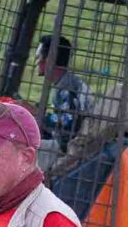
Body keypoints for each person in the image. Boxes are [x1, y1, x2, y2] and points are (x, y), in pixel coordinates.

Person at [34, 35, 92, 170]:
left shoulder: (67, 88)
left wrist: (38, 114)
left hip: (67, 148)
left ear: (50, 60)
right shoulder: (67, 83)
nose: (37, 61)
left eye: (39, 56)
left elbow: (68, 124)